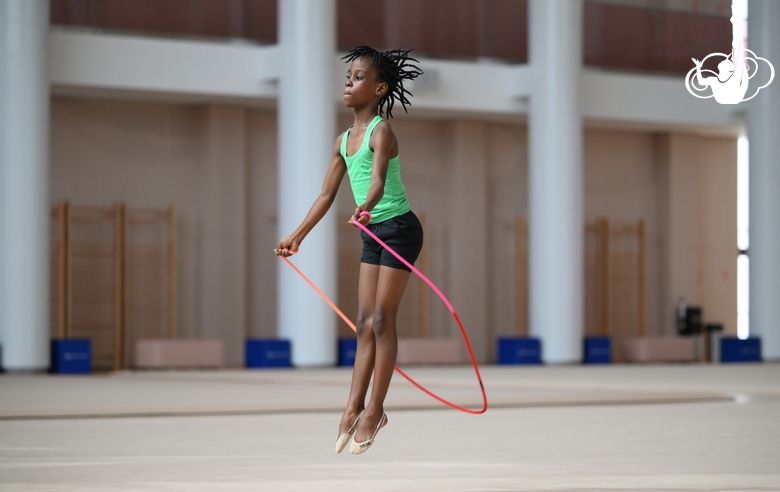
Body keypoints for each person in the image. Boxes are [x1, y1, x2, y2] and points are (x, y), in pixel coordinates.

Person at [274, 46, 423, 455]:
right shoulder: (342, 140)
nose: (348, 82)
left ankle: (375, 409)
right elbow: (325, 194)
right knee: (361, 321)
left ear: (378, 88)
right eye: (347, 76)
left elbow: (376, 181)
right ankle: (352, 404)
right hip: (370, 229)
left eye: (357, 78)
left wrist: (367, 207)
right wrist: (297, 235)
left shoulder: (381, 132)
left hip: (398, 230)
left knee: (381, 319)